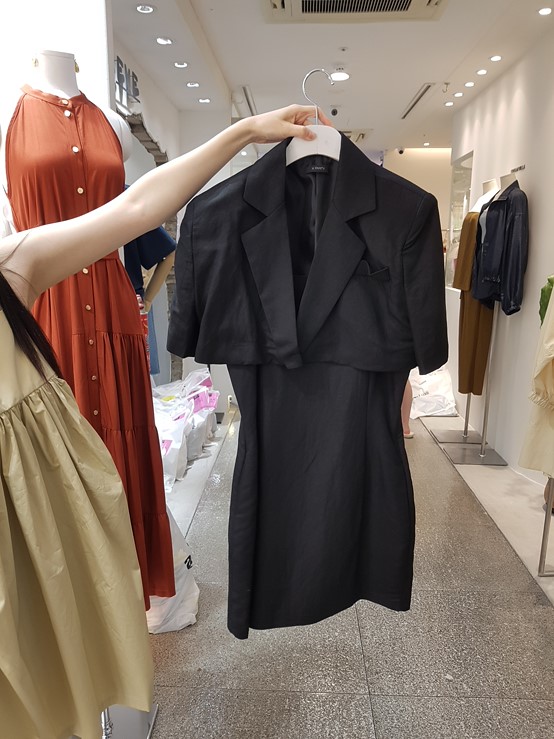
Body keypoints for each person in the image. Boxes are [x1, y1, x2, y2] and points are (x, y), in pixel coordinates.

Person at [0, 104, 317, 739]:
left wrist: (245, 131)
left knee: (51, 678)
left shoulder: (13, 268)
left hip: (42, 528)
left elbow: (137, 209)